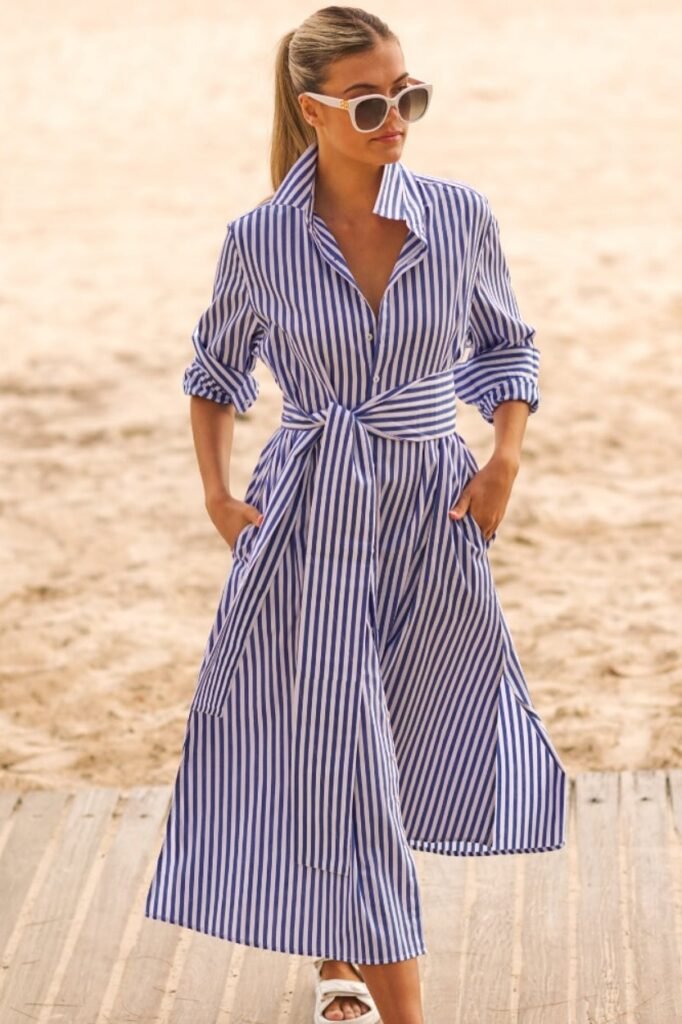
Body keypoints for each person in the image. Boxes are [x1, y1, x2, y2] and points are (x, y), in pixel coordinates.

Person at [144, 6, 567, 1023]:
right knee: (346, 748)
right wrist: (217, 494)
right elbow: (214, 372)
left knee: (400, 735)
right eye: (372, 104)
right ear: (313, 111)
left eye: (408, 97)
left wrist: (503, 453)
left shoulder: (459, 216)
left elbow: (507, 347)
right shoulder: (258, 240)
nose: (397, 121)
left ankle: (335, 952)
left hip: (433, 512)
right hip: (307, 518)